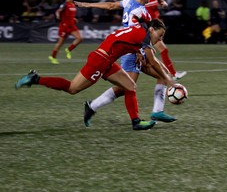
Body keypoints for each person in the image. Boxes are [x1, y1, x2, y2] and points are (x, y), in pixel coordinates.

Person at [15, 19, 175, 131]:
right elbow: (153, 62)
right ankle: (36, 78)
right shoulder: (144, 36)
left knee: (130, 86)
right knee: (72, 88)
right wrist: (168, 79)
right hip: (101, 60)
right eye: (159, 36)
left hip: (107, 60)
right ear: (152, 29)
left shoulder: (141, 28)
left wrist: (140, 52)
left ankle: (136, 122)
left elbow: (130, 42)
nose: (159, 39)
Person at [75, 0, 184, 125]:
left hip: (136, 49)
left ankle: (157, 111)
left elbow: (111, 5)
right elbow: (139, 34)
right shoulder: (141, 12)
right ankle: (92, 106)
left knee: (161, 73)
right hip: (129, 52)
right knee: (125, 88)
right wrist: (171, 82)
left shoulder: (129, 2)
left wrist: (88, 4)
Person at [48, 0, 82, 64]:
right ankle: (53, 56)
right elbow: (58, 11)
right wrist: (57, 15)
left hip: (72, 26)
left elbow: (70, 15)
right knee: (60, 43)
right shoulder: (64, 4)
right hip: (64, 26)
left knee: (80, 38)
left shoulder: (73, 4)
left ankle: (69, 49)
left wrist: (74, 19)